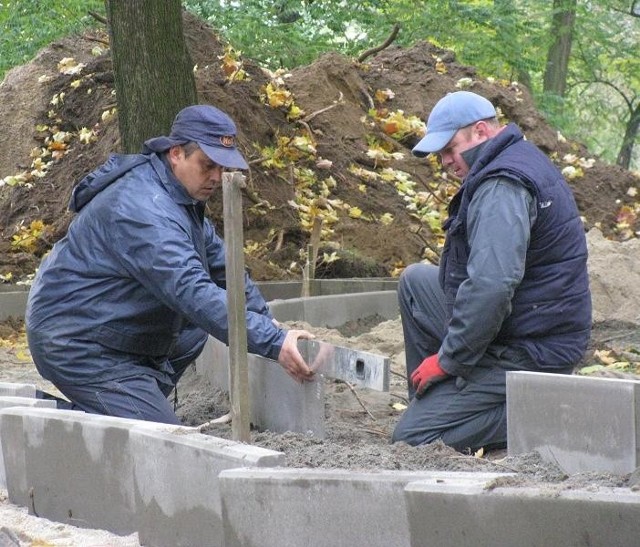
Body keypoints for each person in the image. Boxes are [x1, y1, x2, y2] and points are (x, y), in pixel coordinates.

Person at [26, 104, 315, 424]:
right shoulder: (144, 210)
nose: (217, 177)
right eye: (207, 165)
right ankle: (64, 417)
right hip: (75, 341)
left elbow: (223, 266)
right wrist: (273, 343)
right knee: (162, 441)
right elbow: (191, 290)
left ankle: (125, 402)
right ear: (177, 153)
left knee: (193, 331)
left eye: (221, 168)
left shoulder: (178, 196)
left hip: (110, 327)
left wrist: (264, 322)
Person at [391, 91, 591, 452]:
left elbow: (492, 285)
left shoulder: (502, 184)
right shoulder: (514, 158)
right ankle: (434, 401)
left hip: (534, 349)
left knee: (412, 440)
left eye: (450, 150)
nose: (446, 162)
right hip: (523, 320)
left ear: (480, 132)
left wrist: (449, 359)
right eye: (440, 156)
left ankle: (549, 414)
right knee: (416, 284)